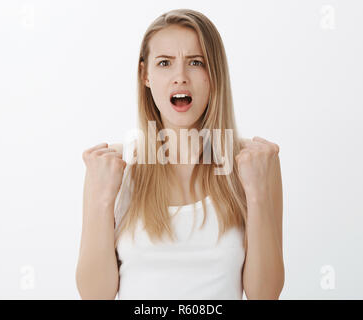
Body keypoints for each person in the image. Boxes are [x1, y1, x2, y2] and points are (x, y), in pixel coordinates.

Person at [76, 8, 284, 300]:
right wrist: (101, 201)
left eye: (196, 63)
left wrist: (258, 195)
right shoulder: (113, 166)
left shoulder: (255, 163)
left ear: (214, 74)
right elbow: (95, 296)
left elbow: (265, 294)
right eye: (165, 63)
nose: (180, 77)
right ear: (145, 75)